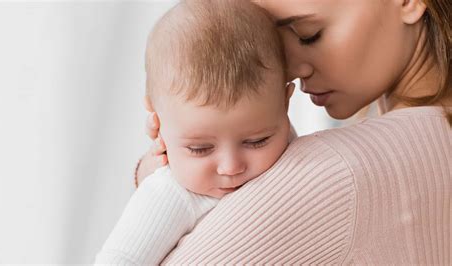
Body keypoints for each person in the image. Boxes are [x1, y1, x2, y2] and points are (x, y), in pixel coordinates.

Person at [137, 0, 451, 264]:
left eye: (308, 35)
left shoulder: (337, 170)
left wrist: (164, 176)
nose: (292, 69)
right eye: (275, 45)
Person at [95, 0, 295, 264]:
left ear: (286, 103)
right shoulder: (171, 195)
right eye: (199, 149)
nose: (230, 167)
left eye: (257, 141)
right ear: (158, 123)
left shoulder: (295, 152)